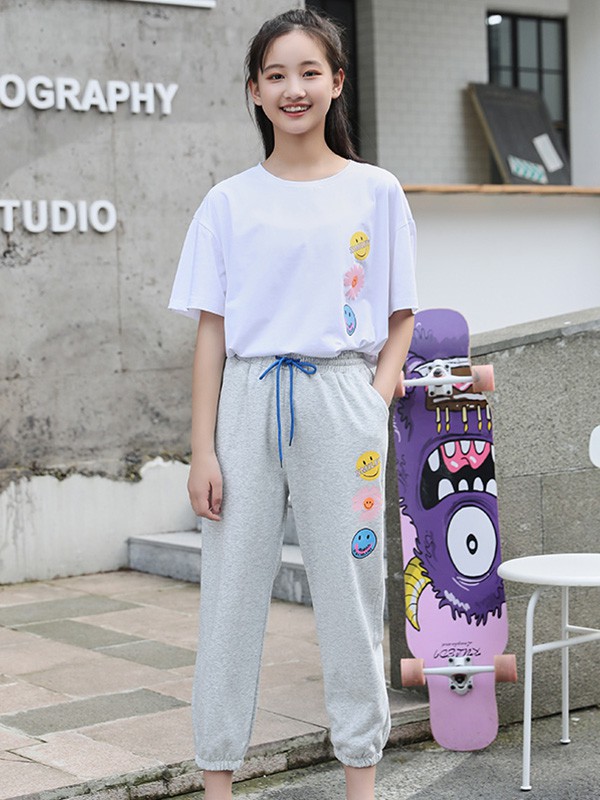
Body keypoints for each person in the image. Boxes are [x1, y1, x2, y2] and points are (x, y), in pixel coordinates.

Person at [168, 8, 417, 799]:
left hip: (342, 397)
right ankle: (217, 784)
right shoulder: (227, 202)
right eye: (275, 75)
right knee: (230, 598)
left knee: (351, 597)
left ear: (337, 81)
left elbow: (401, 316)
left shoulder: (376, 192)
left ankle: (361, 785)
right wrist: (203, 449)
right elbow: (212, 333)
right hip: (246, 402)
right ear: (254, 90)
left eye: (309, 71)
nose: (293, 88)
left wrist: (372, 402)